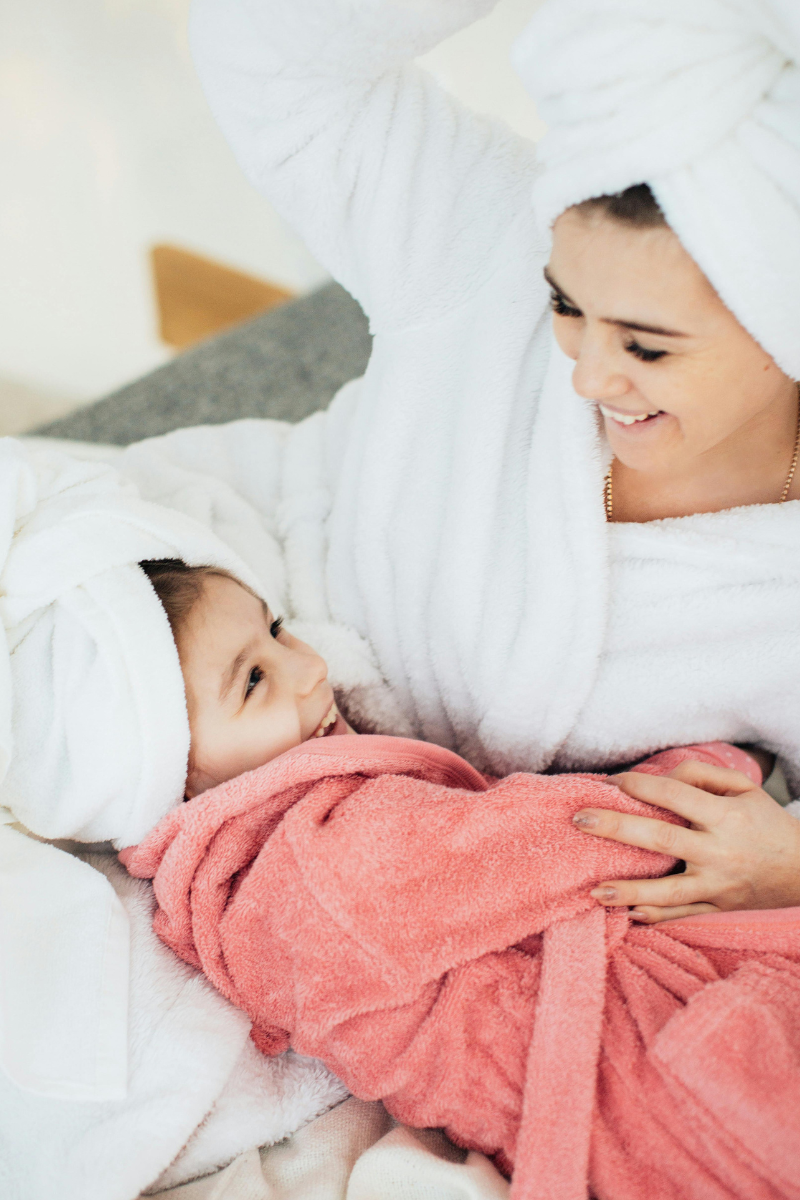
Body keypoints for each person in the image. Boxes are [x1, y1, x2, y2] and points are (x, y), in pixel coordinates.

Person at [117, 0, 800, 925]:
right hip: (209, 607)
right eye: (565, 306)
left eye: (646, 346)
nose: (587, 377)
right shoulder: (485, 242)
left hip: (439, 868)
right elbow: (265, 53)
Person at [124, 561, 800, 1199]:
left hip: (627, 1102)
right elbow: (563, 839)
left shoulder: (276, 875)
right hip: (654, 1083)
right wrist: (702, 780)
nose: (310, 668)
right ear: (174, 769)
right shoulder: (321, 872)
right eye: (253, 681)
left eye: (277, 630)